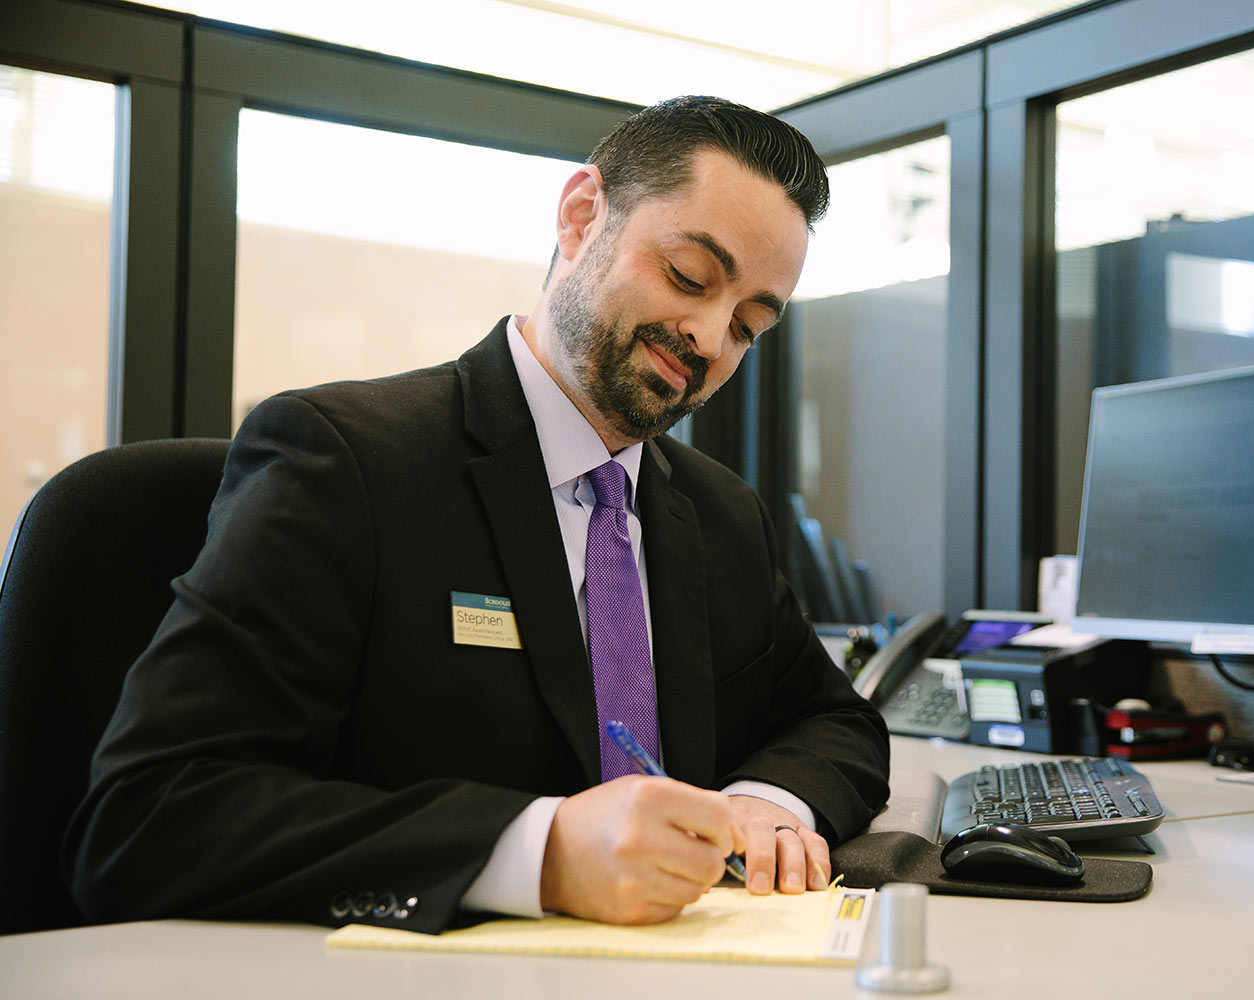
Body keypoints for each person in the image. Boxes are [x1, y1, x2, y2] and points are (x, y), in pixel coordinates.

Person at [62, 95, 890, 934]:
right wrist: (541, 853)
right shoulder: (344, 462)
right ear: (580, 216)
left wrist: (765, 803)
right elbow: (148, 819)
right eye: (689, 277)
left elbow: (835, 719)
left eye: (749, 325)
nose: (711, 339)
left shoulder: (720, 512)